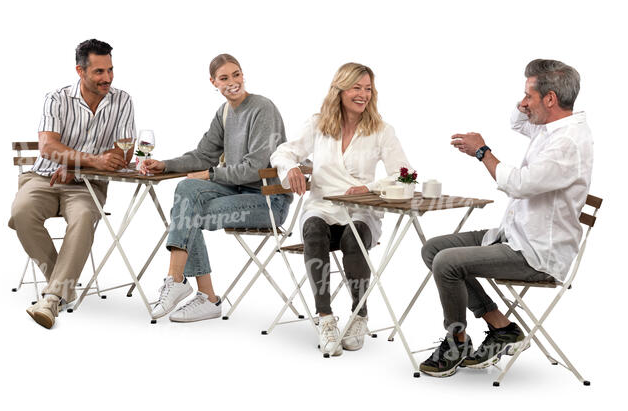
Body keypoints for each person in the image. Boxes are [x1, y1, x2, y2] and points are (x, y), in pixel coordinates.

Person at [419, 59, 593, 377]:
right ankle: (502, 327)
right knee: (433, 249)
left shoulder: (567, 142)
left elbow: (521, 185)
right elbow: (517, 122)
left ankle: (456, 341)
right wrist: (527, 95)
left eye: (529, 95)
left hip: (536, 253)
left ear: (551, 99)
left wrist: (483, 152)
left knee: (447, 263)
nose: (523, 103)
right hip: (516, 235)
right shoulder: (553, 126)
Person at [271, 63, 412, 356]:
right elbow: (282, 152)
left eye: (368, 89)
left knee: (353, 235)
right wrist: (292, 168)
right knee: (312, 229)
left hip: (361, 212)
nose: (363, 95)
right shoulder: (318, 123)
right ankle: (325, 319)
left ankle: (359, 315)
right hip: (322, 207)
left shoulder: (382, 131)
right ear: (340, 89)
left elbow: (405, 174)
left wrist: (370, 188)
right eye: (356, 88)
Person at [141, 54, 291, 323]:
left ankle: (195, 291)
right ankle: (185, 285)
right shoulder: (223, 113)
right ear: (214, 83)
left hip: (268, 201)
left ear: (243, 75)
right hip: (236, 191)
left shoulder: (262, 109)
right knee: (187, 190)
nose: (232, 82)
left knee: (187, 215)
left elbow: (255, 167)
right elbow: (202, 155)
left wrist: (211, 174)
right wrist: (165, 164)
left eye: (236, 74)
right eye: (224, 78)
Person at [9, 39, 135, 329]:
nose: (107, 78)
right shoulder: (56, 98)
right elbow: (48, 147)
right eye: (99, 72)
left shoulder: (123, 100)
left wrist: (78, 168)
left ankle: (52, 299)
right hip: (44, 177)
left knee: (83, 217)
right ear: (80, 70)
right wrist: (85, 160)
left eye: (111, 70)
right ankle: (64, 284)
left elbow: (124, 152)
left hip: (86, 185)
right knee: (22, 213)